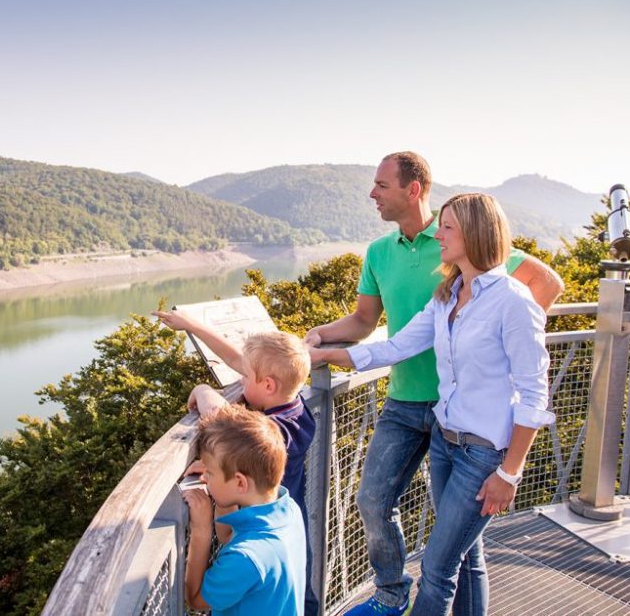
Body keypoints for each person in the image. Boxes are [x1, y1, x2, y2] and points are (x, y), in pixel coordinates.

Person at [303, 152, 562, 616]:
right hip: (443, 431)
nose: (437, 237)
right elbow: (390, 345)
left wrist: (510, 471)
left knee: (442, 566)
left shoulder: (511, 300)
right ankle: (397, 597)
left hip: (484, 447)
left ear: (474, 234)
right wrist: (323, 352)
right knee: (449, 548)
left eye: (447, 230)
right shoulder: (445, 294)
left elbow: (533, 389)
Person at [152, 310, 320, 614]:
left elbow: (219, 418)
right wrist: (191, 325)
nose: (239, 381)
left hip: (260, 541)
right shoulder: (296, 410)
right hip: (276, 524)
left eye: (244, 377)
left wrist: (204, 391)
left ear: (268, 385)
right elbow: (236, 360)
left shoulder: (273, 433)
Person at [182, 404, 307, 615]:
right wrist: (223, 478)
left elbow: (196, 599)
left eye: (210, 473)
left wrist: (201, 530)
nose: (205, 479)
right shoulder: (287, 510)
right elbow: (227, 535)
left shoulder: (246, 558)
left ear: (240, 483)